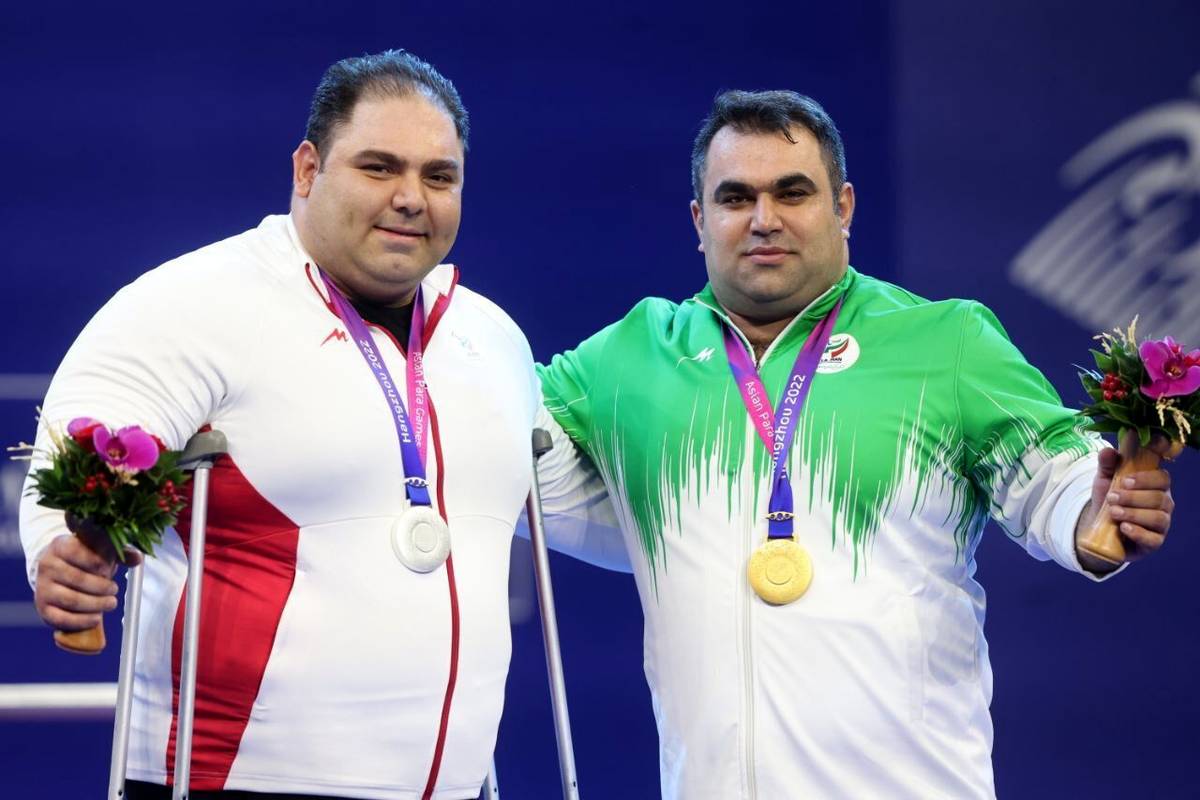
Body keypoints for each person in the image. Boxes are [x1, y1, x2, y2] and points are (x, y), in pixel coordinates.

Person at [533, 90, 1176, 798]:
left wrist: (1094, 512)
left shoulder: (944, 341)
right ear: (699, 220)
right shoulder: (635, 355)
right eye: (735, 198)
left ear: (843, 207)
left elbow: (1052, 469)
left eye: (792, 193)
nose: (764, 219)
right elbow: (494, 420)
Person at [21, 50, 538, 799]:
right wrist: (62, 555)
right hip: (231, 777)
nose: (410, 198)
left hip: (453, 785)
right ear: (307, 169)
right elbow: (79, 452)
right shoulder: (192, 305)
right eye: (378, 168)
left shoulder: (491, 340)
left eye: (439, 177)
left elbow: (576, 496)